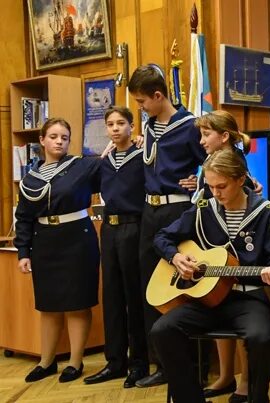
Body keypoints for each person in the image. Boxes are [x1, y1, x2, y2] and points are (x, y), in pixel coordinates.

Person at [150, 148, 270, 403]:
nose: (215, 193)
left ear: (240, 179)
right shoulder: (203, 210)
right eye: (211, 186)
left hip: (248, 298)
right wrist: (176, 257)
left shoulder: (267, 213)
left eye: (222, 186)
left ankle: (258, 398)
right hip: (206, 301)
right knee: (163, 330)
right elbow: (161, 237)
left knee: (262, 338)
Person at [127, 64, 207, 388]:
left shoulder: (189, 126)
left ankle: (194, 367)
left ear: (158, 96)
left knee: (182, 288)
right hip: (150, 212)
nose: (140, 107)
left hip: (177, 212)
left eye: (142, 101)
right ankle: (163, 364)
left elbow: (215, 160)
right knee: (152, 288)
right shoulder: (148, 127)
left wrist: (199, 180)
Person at [14, 118, 102, 383]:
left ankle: (75, 362)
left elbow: (116, 172)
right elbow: (24, 217)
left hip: (78, 239)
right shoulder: (30, 178)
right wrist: (23, 252)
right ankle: (47, 361)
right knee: (49, 306)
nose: (59, 141)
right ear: (42, 140)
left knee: (77, 303)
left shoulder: (82, 166)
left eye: (64, 137)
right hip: (44, 243)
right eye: (53, 136)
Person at [194, 110, 261, 402]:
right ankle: (225, 376)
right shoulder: (209, 164)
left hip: (237, 257)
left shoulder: (237, 167)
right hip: (212, 251)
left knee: (242, 321)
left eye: (206, 134)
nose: (201, 140)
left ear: (223, 137)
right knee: (216, 303)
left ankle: (245, 380)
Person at [83, 106, 149, 388]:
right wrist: (101, 157)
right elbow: (91, 184)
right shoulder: (105, 161)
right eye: (110, 124)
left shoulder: (142, 156)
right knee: (111, 295)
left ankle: (139, 362)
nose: (115, 128)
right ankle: (115, 361)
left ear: (132, 126)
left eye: (121, 123)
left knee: (134, 296)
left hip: (134, 226)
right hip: (108, 228)